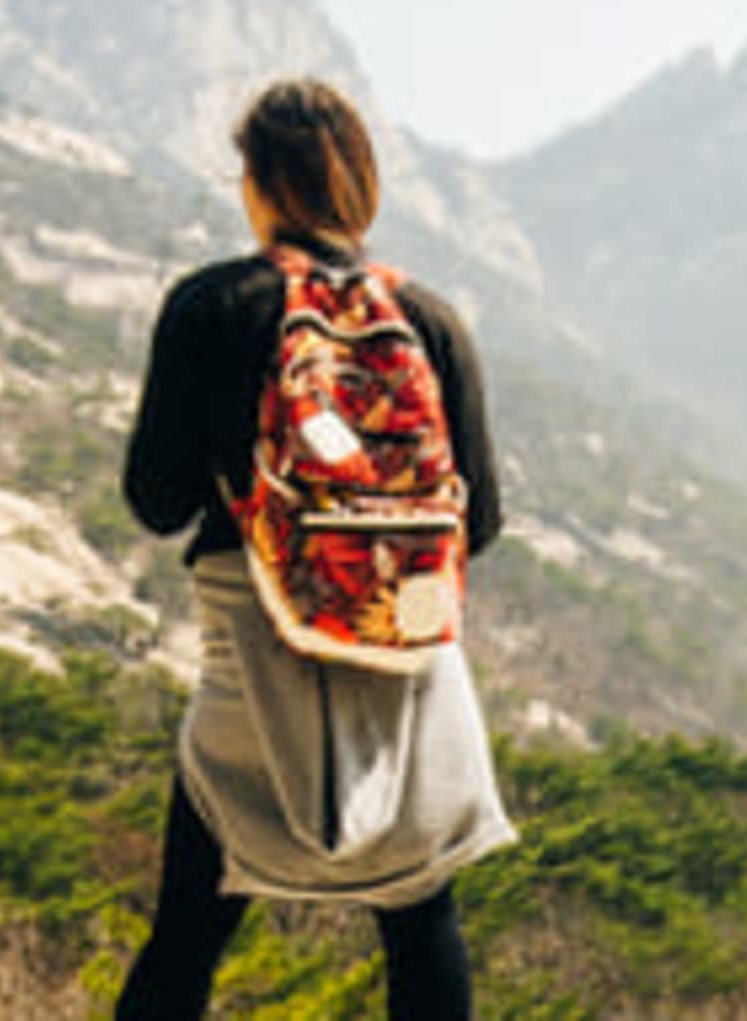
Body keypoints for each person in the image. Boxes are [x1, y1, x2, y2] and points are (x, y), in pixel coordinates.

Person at [114, 78, 515, 1020]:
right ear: (361, 185)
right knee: (421, 918)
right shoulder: (429, 320)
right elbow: (481, 521)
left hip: (256, 645)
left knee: (188, 927)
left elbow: (157, 500)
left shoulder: (213, 305)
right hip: (401, 650)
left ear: (254, 181)